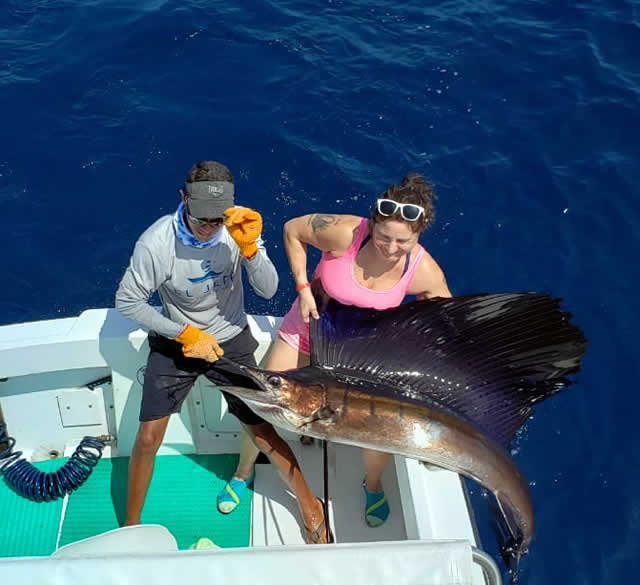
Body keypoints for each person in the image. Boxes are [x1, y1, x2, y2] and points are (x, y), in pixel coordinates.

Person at [223, 172, 452, 529]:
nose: (390, 248)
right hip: (307, 328)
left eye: (402, 242)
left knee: (378, 440)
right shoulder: (343, 232)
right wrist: (301, 287)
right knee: (260, 403)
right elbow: (292, 231)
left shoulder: (423, 271)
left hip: (359, 358)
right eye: (383, 236)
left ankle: (372, 485)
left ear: (419, 235)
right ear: (371, 224)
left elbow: (444, 322)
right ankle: (243, 471)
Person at [115, 160, 288, 528]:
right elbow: (128, 301)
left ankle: (269, 489)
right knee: (147, 437)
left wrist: (252, 252)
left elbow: (269, 289)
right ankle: (130, 526)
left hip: (230, 336)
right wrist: (183, 333)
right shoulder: (156, 243)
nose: (210, 229)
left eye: (217, 220)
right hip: (178, 341)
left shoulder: (239, 229)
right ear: (182, 198)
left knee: (261, 425)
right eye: (201, 219)